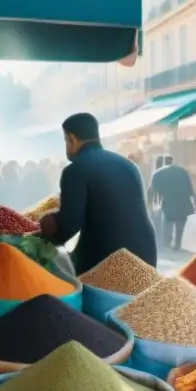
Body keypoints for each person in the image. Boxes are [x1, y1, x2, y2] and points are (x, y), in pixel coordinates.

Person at [38, 113, 157, 274]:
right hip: (147, 259)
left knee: (65, 271)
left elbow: (68, 226)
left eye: (66, 141)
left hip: (109, 263)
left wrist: (46, 224)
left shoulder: (75, 170)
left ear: (72, 139)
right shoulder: (129, 165)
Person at [149, 154, 196, 251]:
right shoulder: (182, 171)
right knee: (180, 223)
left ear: (164, 162)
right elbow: (190, 187)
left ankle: (167, 242)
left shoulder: (158, 173)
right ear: (172, 161)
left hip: (168, 202)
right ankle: (177, 243)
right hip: (183, 201)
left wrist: (150, 203)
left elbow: (152, 190)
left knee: (168, 222)